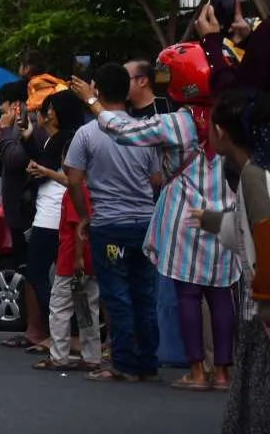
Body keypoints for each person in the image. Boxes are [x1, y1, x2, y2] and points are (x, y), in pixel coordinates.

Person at [73, 45, 240, 391]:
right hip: (227, 214)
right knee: (221, 295)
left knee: (187, 295)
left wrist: (93, 102)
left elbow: (124, 132)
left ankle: (196, 371)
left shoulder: (178, 122)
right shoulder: (234, 117)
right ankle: (223, 373)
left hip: (185, 219)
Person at [64, 63, 162, 382]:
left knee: (117, 293)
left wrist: (85, 216)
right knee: (144, 292)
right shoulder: (143, 130)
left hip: (109, 227)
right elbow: (157, 179)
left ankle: (123, 363)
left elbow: (75, 180)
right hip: (145, 224)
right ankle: (147, 361)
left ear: (97, 90)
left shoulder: (87, 134)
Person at [189, 89, 270, 432]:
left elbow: (264, 238)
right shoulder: (256, 170)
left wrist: (267, 306)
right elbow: (247, 228)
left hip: (263, 311)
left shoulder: (253, 174)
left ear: (221, 131)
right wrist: (210, 219)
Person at [23, 90, 87, 355]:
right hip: (48, 213)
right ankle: (64, 334)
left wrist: (45, 171)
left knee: (42, 274)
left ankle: (61, 334)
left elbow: (73, 180)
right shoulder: (55, 140)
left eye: (51, 108)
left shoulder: (69, 140)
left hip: (54, 215)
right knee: (56, 277)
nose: (47, 112)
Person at [0, 80, 46, 350]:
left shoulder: (30, 129)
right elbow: (6, 167)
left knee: (33, 271)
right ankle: (33, 329)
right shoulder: (17, 130)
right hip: (21, 210)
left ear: (15, 105)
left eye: (2, 106)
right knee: (27, 270)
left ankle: (37, 330)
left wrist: (4, 133)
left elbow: (17, 161)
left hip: (29, 213)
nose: (0, 112)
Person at [35, 184, 101, 372]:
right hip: (89, 259)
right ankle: (91, 356)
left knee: (60, 308)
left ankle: (59, 356)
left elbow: (80, 224)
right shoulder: (92, 188)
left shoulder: (76, 191)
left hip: (71, 258)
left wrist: (77, 256)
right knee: (87, 309)